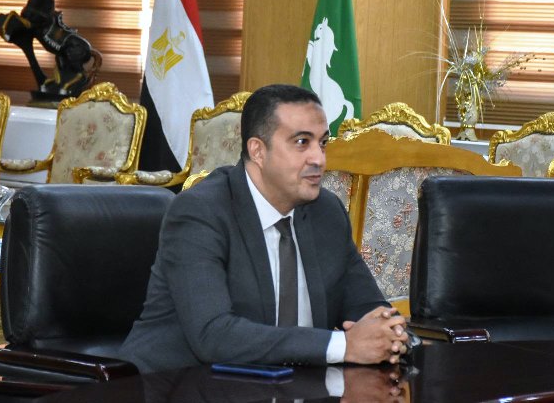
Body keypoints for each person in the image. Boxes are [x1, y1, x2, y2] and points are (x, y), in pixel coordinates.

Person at [119, 84, 408, 373]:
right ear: (257, 150)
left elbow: (371, 310)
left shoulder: (326, 212)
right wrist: (343, 345)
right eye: (301, 142)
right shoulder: (200, 212)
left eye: (322, 143)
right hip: (174, 384)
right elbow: (213, 335)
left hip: (290, 385)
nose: (319, 159)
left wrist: (390, 335)